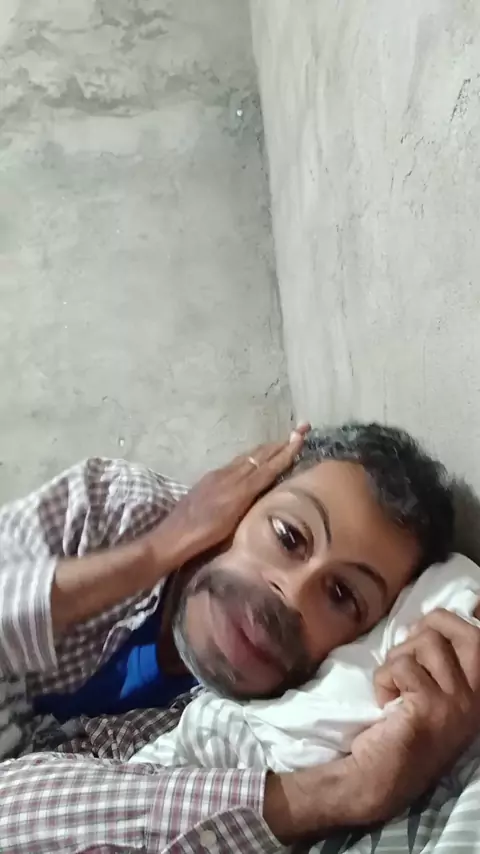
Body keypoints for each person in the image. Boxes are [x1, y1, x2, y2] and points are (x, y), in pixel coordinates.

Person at [1, 422, 480, 854]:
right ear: (247, 500)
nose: (289, 595)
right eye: (289, 537)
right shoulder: (110, 509)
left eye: (341, 595)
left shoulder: (237, 732)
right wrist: (155, 552)